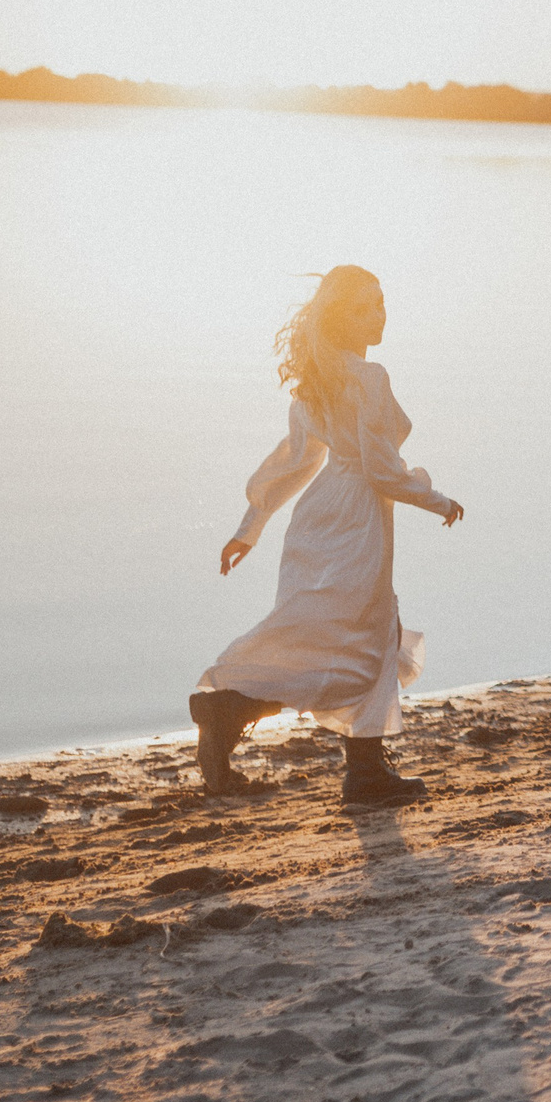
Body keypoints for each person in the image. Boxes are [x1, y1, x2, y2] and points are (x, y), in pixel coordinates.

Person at [190, 265, 464, 805]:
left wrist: (251, 526)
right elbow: (381, 470)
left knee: (331, 634)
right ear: (343, 318)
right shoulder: (368, 377)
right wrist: (438, 500)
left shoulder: (320, 376)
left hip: (320, 518)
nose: (379, 314)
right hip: (359, 516)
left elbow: (294, 461)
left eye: (382, 303)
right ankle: (352, 767)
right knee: (360, 638)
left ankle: (244, 713)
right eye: (366, 307)